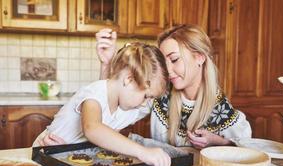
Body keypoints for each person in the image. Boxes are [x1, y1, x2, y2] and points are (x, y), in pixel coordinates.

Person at [96, 25, 251, 149]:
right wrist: (107, 64)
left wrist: (218, 142)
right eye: (164, 62)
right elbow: (107, 120)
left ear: (199, 57)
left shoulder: (221, 108)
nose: (168, 70)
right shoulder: (159, 94)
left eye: (175, 59)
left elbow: (246, 150)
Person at [33, 42, 171, 166]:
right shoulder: (95, 93)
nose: (144, 103)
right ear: (129, 80)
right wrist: (143, 152)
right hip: (44, 155)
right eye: (146, 96)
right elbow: (92, 128)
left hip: (71, 160)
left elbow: (105, 140)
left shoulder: (128, 110)